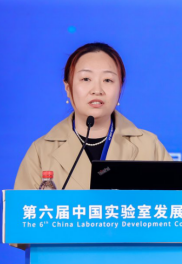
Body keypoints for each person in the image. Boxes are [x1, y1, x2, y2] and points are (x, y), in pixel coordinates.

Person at [14, 42, 172, 190]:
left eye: (107, 80)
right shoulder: (41, 152)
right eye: (86, 79)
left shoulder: (149, 147)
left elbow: (176, 206)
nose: (97, 90)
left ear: (120, 88)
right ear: (68, 88)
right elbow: (22, 210)